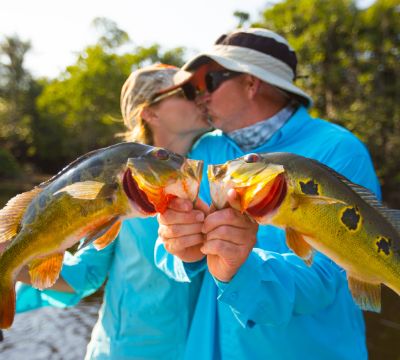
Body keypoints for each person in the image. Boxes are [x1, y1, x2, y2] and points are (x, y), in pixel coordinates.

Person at [155, 28, 381, 359]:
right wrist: (181, 249)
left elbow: (328, 278)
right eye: (194, 88)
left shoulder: (339, 149)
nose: (200, 96)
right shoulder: (206, 148)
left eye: (211, 82)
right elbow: (164, 249)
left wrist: (239, 268)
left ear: (251, 83)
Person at [14, 63, 210, 359]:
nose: (200, 97)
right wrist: (14, 261)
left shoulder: (215, 170)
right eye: (185, 91)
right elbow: (85, 274)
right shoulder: (118, 182)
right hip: (125, 350)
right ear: (150, 112)